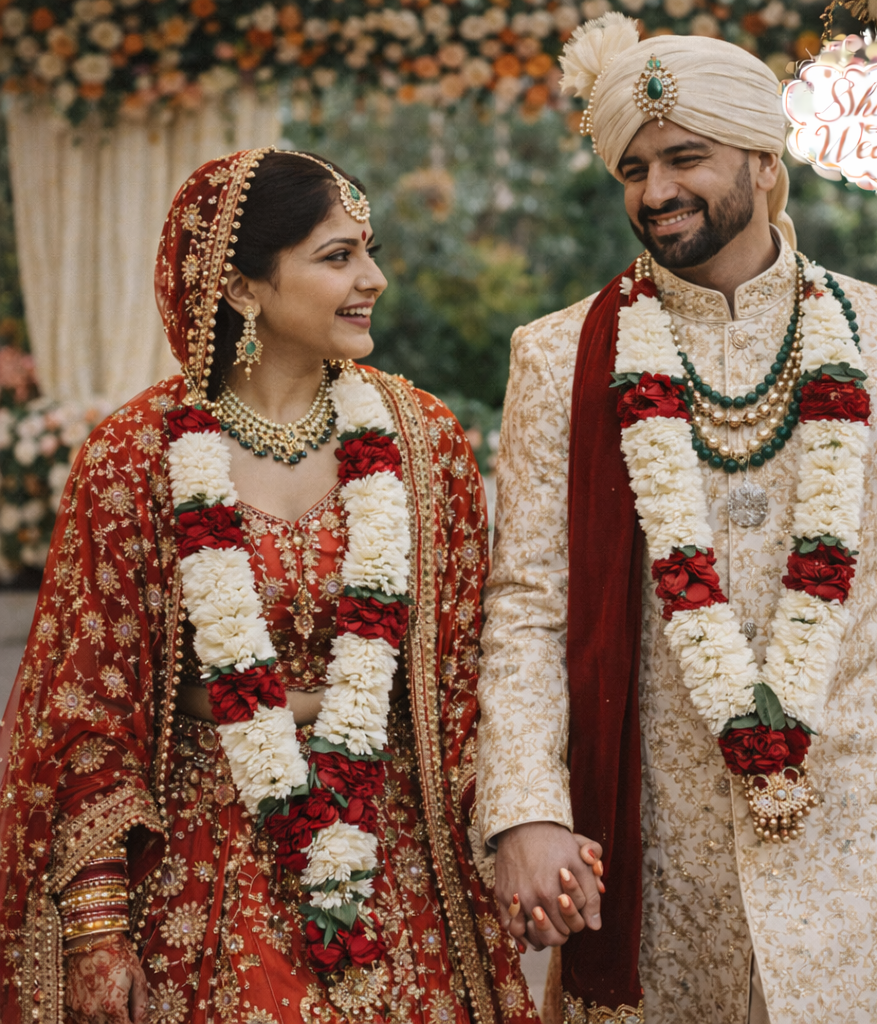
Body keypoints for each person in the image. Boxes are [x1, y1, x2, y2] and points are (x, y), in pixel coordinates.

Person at [476, 14, 877, 1024]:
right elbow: (528, 605)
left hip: (845, 846)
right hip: (651, 850)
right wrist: (525, 808)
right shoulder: (559, 356)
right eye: (632, 168)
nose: (655, 191)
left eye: (685, 158)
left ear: (765, 163)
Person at [0, 148, 540, 1024]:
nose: (375, 278)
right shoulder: (134, 456)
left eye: (368, 250)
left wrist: (522, 825)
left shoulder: (422, 441)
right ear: (243, 287)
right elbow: (84, 714)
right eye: (338, 257)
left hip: (395, 853)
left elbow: (470, 675)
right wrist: (97, 931)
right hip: (204, 863)